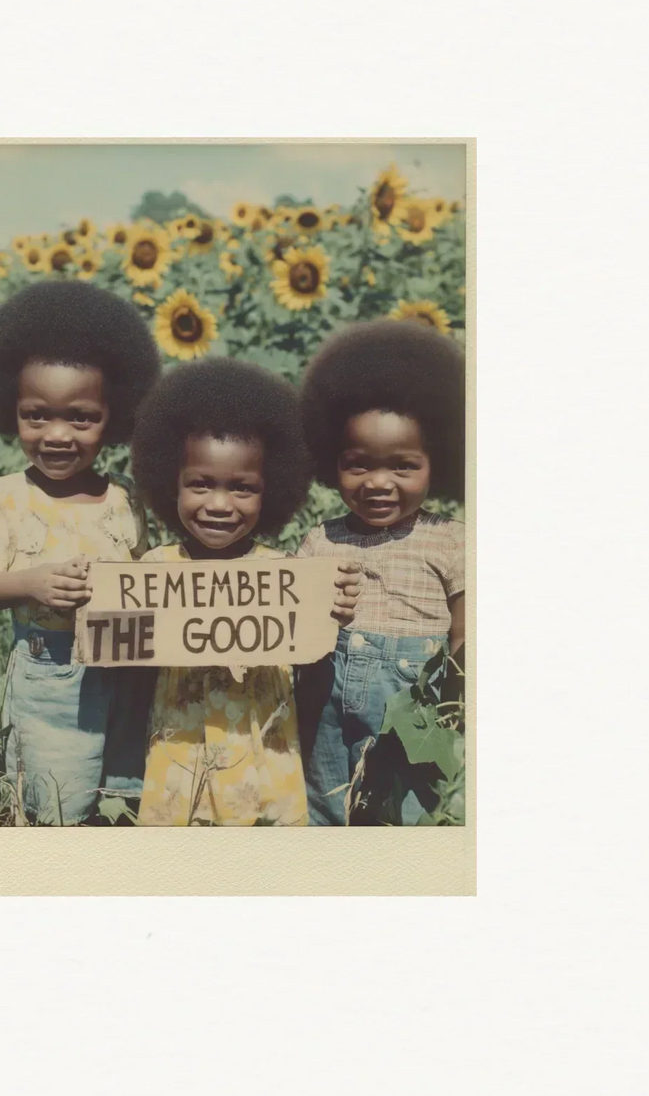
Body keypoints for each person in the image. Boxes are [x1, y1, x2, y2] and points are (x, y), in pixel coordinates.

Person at [0, 280, 160, 825]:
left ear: (113, 417)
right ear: (10, 409)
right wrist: (31, 583)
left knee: (125, 794)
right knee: (57, 802)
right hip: (51, 675)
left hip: (127, 666)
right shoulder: (0, 498)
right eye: (36, 416)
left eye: (81, 417)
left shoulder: (124, 496)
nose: (57, 435)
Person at [127, 358, 357, 826]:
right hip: (180, 752)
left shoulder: (285, 572)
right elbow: (124, 646)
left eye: (242, 489)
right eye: (200, 485)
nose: (218, 505)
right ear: (170, 481)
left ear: (270, 490)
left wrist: (333, 606)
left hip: (262, 754)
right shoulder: (155, 569)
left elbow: (311, 644)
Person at [296, 320, 466, 826]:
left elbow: (466, 628)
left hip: (415, 711)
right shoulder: (319, 541)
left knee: (408, 814)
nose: (378, 483)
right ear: (332, 461)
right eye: (358, 464)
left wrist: (457, 703)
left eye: (403, 467)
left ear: (439, 464)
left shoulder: (451, 539)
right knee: (324, 804)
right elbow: (289, 624)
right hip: (325, 709)